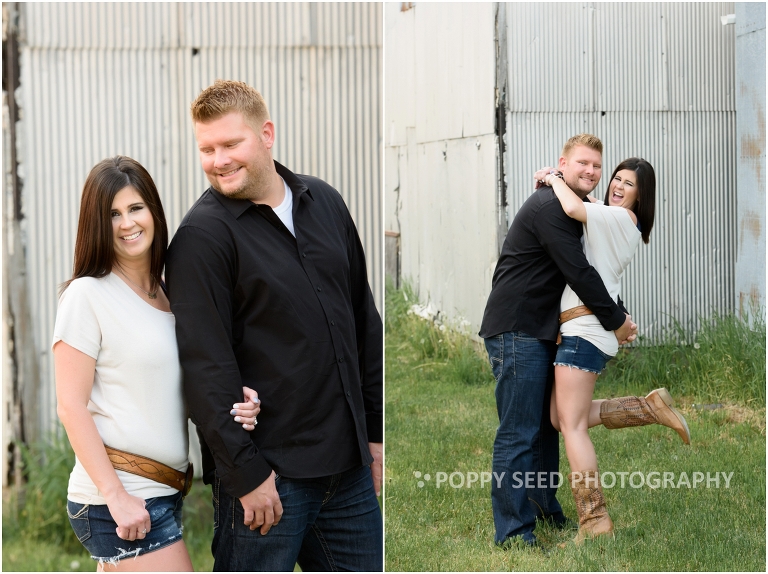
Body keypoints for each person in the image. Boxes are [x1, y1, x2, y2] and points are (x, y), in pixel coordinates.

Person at [165, 80, 383, 572]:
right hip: (269, 478)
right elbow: (204, 366)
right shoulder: (202, 238)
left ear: (266, 133)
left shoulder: (324, 202)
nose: (218, 160)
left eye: (230, 144)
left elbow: (362, 323)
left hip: (347, 471)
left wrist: (374, 434)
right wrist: (246, 475)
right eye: (206, 149)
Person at [53, 156, 260, 571]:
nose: (127, 223)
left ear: (153, 211)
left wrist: (235, 399)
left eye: (135, 208)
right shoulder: (87, 295)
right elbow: (70, 406)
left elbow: (171, 384)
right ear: (96, 223)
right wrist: (116, 496)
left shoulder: (170, 293)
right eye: (113, 214)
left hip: (164, 491)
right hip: (119, 495)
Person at [478, 134, 638, 547]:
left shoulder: (575, 206)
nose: (590, 171)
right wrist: (617, 320)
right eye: (582, 163)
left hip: (542, 329)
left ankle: (544, 510)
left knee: (547, 428)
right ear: (563, 163)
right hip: (518, 328)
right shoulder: (551, 207)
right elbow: (580, 272)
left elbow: (600, 266)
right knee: (519, 431)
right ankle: (513, 532)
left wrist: (551, 177)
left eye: (596, 166)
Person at [533, 158, 690, 544]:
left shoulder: (622, 219)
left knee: (571, 427)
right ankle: (650, 407)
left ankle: (595, 520)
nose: (618, 186)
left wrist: (553, 177)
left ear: (641, 196)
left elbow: (571, 206)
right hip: (585, 326)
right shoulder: (610, 218)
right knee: (560, 417)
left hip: (585, 329)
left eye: (629, 184)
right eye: (616, 179)